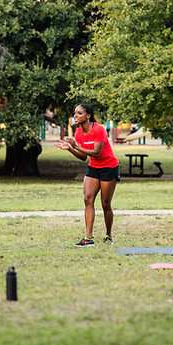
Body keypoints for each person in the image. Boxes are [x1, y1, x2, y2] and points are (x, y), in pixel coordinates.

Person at [55, 104, 120, 247]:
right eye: (75, 113)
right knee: (88, 199)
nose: (75, 116)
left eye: (79, 113)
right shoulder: (78, 133)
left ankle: (108, 235)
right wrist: (70, 149)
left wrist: (76, 146)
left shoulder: (99, 129)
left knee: (105, 204)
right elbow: (84, 157)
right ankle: (88, 238)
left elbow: (97, 152)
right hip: (94, 167)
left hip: (109, 167)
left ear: (88, 115)